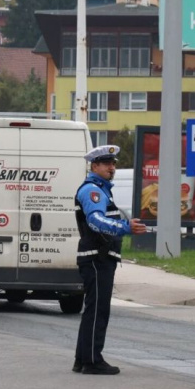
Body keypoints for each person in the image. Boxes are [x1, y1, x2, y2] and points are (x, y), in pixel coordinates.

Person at [73, 145, 147, 375]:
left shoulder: (102, 190)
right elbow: (95, 221)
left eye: (113, 164)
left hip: (99, 258)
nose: (112, 168)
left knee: (93, 310)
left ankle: (82, 359)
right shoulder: (93, 191)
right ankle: (93, 361)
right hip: (97, 258)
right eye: (107, 164)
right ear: (95, 166)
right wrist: (126, 228)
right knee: (98, 311)